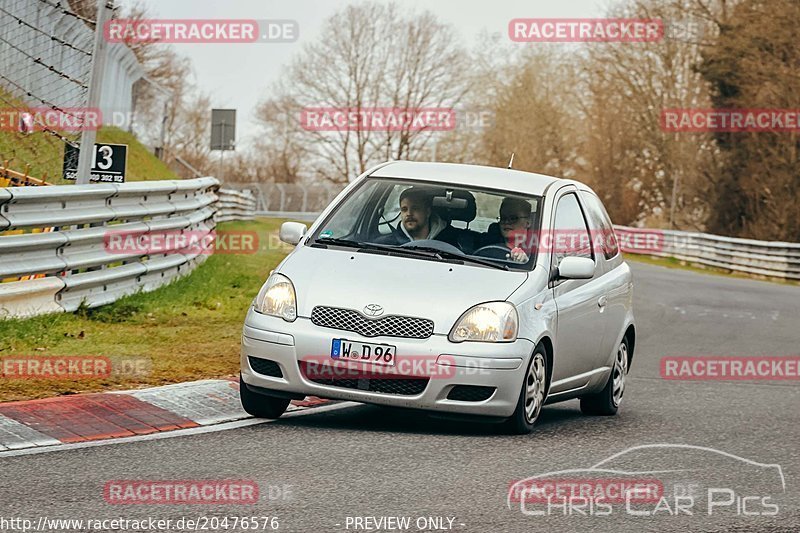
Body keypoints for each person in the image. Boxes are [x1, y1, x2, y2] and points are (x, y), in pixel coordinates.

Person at [377, 187, 461, 247]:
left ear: (427, 212)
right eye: (404, 209)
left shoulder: (453, 243)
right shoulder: (385, 245)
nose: (409, 213)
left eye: (415, 208)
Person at [478, 197, 533, 263]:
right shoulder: (485, 245)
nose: (506, 222)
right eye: (503, 218)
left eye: (513, 218)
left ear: (528, 222)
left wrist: (525, 262)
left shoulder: (538, 254)